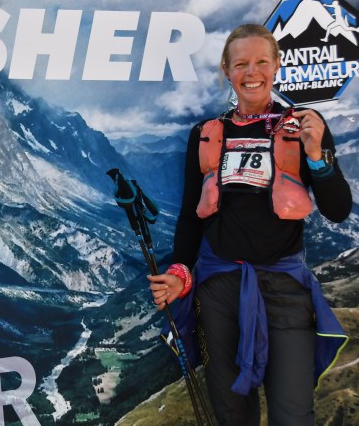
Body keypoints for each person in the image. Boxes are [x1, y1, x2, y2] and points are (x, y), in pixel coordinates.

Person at [146, 24, 353, 425]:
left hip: (285, 288)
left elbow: (338, 209)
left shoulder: (305, 127)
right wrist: (179, 273)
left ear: (277, 66)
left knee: (293, 414)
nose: (251, 72)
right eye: (240, 63)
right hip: (218, 290)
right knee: (232, 414)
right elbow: (191, 216)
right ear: (226, 70)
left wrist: (317, 157)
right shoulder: (206, 134)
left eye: (261, 61)